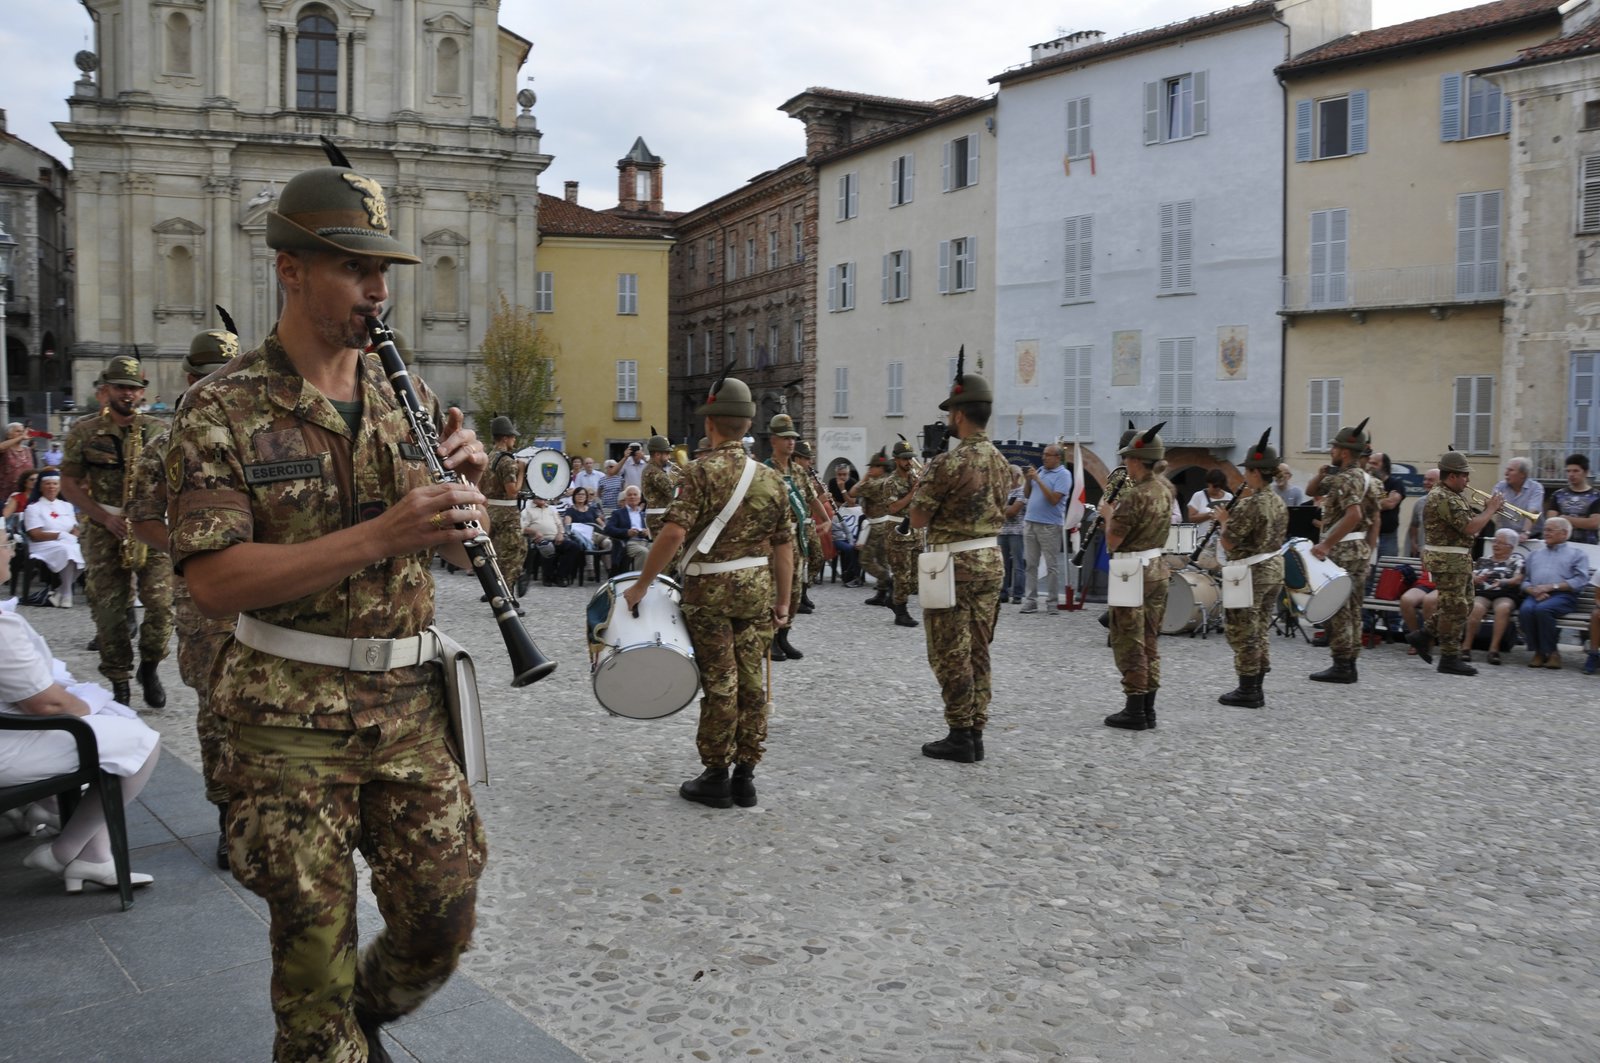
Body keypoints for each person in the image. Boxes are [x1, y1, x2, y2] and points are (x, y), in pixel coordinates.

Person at [166, 155, 489, 1061]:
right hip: (283, 718)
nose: (377, 290)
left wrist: (468, 501)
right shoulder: (217, 410)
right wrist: (382, 533)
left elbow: (457, 551)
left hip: (408, 709)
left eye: (383, 270)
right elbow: (214, 581)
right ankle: (327, 1035)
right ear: (292, 270)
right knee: (311, 956)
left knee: (445, 912)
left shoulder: (407, 394)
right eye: (356, 267)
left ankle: (358, 1018)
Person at [622, 372, 792, 809]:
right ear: (750, 425)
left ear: (711, 424)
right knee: (754, 681)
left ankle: (716, 774)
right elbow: (784, 546)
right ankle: (747, 775)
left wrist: (643, 585)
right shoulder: (772, 478)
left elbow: (674, 533)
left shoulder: (700, 472)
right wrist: (784, 600)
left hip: (710, 591)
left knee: (721, 680)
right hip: (757, 589)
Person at [126, 323, 239, 870]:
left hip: (268, 594)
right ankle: (227, 820)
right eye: (212, 376)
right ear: (190, 380)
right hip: (204, 602)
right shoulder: (164, 443)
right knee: (217, 708)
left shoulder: (256, 432)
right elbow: (141, 516)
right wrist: (191, 550)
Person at [1, 537, 161, 894]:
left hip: (9, 732)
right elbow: (47, 706)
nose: (12, 552)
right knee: (141, 744)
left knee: (111, 733)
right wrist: (89, 700)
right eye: (5, 543)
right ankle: (65, 852)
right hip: (8, 747)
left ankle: (94, 854)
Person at [58, 356, 175, 709]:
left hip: (150, 528)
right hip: (104, 527)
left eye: (133, 388)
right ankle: (120, 681)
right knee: (108, 610)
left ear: (142, 392)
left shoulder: (158, 430)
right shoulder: (83, 431)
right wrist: (102, 517)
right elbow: (69, 484)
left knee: (160, 606)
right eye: (120, 387)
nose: (127, 394)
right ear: (104, 390)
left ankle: (150, 666)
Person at [907, 356, 1008, 762]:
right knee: (980, 649)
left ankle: (960, 732)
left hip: (954, 567)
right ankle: (976, 728)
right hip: (990, 560)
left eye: (950, 413)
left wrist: (925, 480)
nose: (947, 420)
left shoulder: (947, 463)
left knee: (950, 650)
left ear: (961, 415)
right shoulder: (1002, 462)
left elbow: (918, 516)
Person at [1099, 423, 1176, 730]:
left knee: (1128, 640)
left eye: (1128, 459)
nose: (1126, 464)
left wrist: (1108, 516)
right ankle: (1148, 708)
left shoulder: (1135, 497)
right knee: (1149, 640)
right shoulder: (1164, 490)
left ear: (1135, 461)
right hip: (1157, 567)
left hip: (1132, 572)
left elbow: (1113, 542)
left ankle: (1134, 709)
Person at [1409, 449, 1502, 675]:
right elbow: (1470, 526)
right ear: (1452, 476)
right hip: (1446, 559)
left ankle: (1424, 635)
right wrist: (1490, 509)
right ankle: (1450, 658)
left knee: (1464, 605)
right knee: (1455, 606)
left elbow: (1467, 528)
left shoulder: (1452, 495)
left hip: (1457, 558)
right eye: (1464, 475)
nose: (1468, 480)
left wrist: (1478, 522)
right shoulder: (1443, 496)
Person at [1215, 429, 1288, 708]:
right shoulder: (1278, 500)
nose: (1245, 474)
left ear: (1256, 472)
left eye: (1247, 470)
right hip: (1273, 568)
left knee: (1243, 628)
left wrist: (1223, 520)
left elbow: (1230, 543)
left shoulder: (1251, 503)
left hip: (1250, 572)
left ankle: (1248, 689)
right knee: (1259, 628)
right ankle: (1257, 682)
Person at [1307, 418, 1379, 684]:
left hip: (1343, 549)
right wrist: (1321, 473)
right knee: (1353, 608)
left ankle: (1341, 664)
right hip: (1357, 549)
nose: (1332, 451)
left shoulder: (1348, 479)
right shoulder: (1366, 479)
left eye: (1335, 448)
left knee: (1338, 608)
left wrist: (1326, 544)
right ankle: (1349, 663)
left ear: (1345, 452)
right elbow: (1311, 490)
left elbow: (1354, 514)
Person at [765, 414, 832, 653]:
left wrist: (825, 519)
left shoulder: (798, 472)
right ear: (774, 440)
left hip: (797, 537)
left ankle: (784, 635)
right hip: (774, 541)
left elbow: (811, 498)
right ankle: (770, 638)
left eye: (793, 438)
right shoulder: (766, 471)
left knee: (794, 590)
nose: (791, 442)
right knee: (775, 589)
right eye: (785, 438)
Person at [1517, 516, 1592, 667]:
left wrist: (1552, 587)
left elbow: (1580, 580)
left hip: (1563, 595)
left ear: (1564, 533)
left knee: (1543, 610)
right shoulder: (1534, 555)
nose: (1546, 533)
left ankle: (1552, 653)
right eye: (1545, 529)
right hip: (1535, 594)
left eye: (1550, 530)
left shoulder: (1577, 554)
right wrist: (1531, 590)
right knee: (1525, 610)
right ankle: (1538, 651)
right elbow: (1524, 580)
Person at [481, 416, 527, 610]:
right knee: (514, 553)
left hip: (490, 510)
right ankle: (506, 600)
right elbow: (512, 490)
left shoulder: (488, 456)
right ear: (506, 438)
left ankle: (492, 590)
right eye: (512, 437)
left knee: (495, 554)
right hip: (507, 512)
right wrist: (522, 471)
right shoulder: (508, 461)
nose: (514, 441)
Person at [1020, 444, 1072, 611]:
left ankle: (1052, 602)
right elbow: (1027, 494)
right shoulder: (1040, 471)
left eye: (1048, 455)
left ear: (1058, 458)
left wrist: (1038, 480)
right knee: (1030, 564)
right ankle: (1030, 601)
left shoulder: (1064, 475)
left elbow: (1054, 499)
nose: (1044, 457)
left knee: (1051, 565)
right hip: (1030, 522)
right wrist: (1028, 480)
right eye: (1043, 454)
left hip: (1049, 525)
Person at [22, 470, 84, 607]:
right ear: (40, 487)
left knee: (83, 552)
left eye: (55, 484)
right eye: (48, 484)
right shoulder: (33, 508)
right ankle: (67, 594)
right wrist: (60, 535)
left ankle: (60, 591)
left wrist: (73, 535)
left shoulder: (66, 506)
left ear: (59, 486)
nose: (52, 487)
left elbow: (76, 527)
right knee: (66, 550)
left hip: (67, 542)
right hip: (42, 544)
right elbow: (35, 534)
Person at [1464, 528, 1526, 665]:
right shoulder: (1483, 560)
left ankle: (1494, 649)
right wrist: (1476, 579)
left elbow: (1518, 579)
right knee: (1476, 607)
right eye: (1495, 541)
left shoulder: (1517, 560)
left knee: (1503, 608)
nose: (1495, 545)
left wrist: (1503, 582)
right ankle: (1466, 647)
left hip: (1506, 593)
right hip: (1484, 592)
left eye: (1500, 542)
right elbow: (1472, 575)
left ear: (1510, 546)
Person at [881, 438, 922, 629]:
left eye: (910, 458)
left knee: (914, 578)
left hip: (916, 531)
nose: (908, 462)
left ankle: (894, 599)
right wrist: (913, 493)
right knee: (902, 575)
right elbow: (893, 507)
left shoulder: (916, 477)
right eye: (905, 458)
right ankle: (901, 611)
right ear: (896, 459)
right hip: (898, 532)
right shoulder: (890, 482)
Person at [853, 452, 896, 605]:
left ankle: (888, 580)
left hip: (876, 525)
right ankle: (882, 592)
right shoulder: (889, 481)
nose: (870, 469)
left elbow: (853, 492)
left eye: (873, 466)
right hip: (886, 523)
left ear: (882, 468)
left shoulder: (874, 484)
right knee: (882, 558)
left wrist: (865, 477)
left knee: (865, 560)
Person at [521, 494, 584, 585]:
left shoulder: (551, 509)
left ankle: (560, 576)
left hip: (555, 537)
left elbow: (559, 524)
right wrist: (535, 532)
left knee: (574, 547)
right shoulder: (527, 510)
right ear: (534, 498)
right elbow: (522, 527)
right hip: (539, 539)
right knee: (548, 547)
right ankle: (548, 577)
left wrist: (560, 534)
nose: (543, 499)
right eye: (540, 497)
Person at [1545, 454, 1600, 545]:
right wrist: (1582, 520)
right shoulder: (1558, 495)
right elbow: (1552, 521)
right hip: (1562, 545)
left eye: (1575, 471)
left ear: (1585, 472)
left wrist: (1565, 518)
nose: (1571, 474)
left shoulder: (1596, 496)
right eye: (1568, 471)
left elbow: (1594, 523)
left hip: (1588, 546)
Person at [1186, 468, 1232, 573]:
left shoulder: (1229, 497)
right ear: (1208, 483)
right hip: (1203, 542)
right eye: (1215, 486)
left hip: (1221, 543)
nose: (1217, 489)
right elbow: (1191, 517)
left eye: (1220, 486)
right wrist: (1209, 515)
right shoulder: (1198, 496)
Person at [1492, 457, 1544, 541]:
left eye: (1511, 470)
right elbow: (1491, 509)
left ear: (1523, 474)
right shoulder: (1500, 486)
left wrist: (1525, 532)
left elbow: (1533, 511)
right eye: (1506, 469)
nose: (1506, 473)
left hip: (1532, 536)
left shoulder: (1536, 488)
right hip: (1507, 536)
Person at [604, 484, 653, 572]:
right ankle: (639, 579)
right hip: (629, 542)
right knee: (643, 552)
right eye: (629, 495)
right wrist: (626, 532)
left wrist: (648, 532)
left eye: (635, 494)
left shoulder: (643, 514)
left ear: (640, 498)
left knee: (660, 549)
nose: (632, 497)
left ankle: (655, 577)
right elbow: (608, 529)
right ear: (625, 498)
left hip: (644, 541)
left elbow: (651, 531)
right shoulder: (618, 513)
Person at [641, 429, 680, 540]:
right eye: (666, 453)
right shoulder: (654, 472)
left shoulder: (654, 470)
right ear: (657, 454)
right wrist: (684, 479)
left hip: (659, 515)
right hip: (659, 518)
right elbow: (673, 493)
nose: (669, 457)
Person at [1367, 452, 1406, 560]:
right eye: (1369, 463)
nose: (1370, 466)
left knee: (1387, 571)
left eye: (1374, 463)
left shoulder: (1395, 483)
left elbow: (1390, 504)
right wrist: (1383, 500)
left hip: (1388, 537)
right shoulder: (1366, 484)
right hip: (1368, 534)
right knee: (1368, 571)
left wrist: (1369, 503)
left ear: (1384, 466)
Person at [998, 465, 1026, 605]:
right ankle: (1003, 592)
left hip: (1016, 532)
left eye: (1010, 474)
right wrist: (1005, 509)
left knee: (1018, 563)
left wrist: (1002, 509)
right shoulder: (1003, 490)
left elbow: (1012, 512)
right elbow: (994, 508)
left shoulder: (1023, 492)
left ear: (1017, 476)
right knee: (1003, 564)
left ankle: (1018, 594)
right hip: (1002, 531)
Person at [1405, 468, 1440, 556]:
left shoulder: (1452, 502)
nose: (1426, 482)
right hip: (1423, 553)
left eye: (1430, 480)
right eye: (1425, 479)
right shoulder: (1419, 503)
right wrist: (1413, 542)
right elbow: (1414, 525)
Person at [0, 421, 35, 492]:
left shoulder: (27, 449)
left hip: (25, 491)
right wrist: (21, 437)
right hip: (7, 491)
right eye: (18, 431)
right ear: (9, 435)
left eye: (22, 431)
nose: (22, 434)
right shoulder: (6, 449)